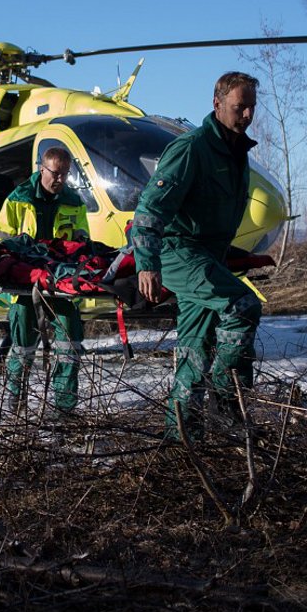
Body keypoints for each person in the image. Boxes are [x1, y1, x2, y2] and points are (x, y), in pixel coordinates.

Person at [132, 72, 263, 442]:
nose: (248, 114)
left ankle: (181, 439)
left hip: (210, 256)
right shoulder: (192, 148)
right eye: (240, 107)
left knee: (195, 349)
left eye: (252, 106)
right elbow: (149, 207)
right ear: (217, 103)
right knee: (242, 305)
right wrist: (147, 262)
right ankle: (226, 405)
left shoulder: (235, 150)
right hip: (180, 251)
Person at [0, 147, 92, 415]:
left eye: (65, 174)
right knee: (23, 349)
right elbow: (0, 240)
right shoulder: (17, 199)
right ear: (41, 169)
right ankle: (16, 406)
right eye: (55, 173)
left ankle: (65, 408)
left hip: (61, 284)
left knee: (69, 345)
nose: (60, 179)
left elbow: (83, 242)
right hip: (25, 286)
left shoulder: (74, 201)